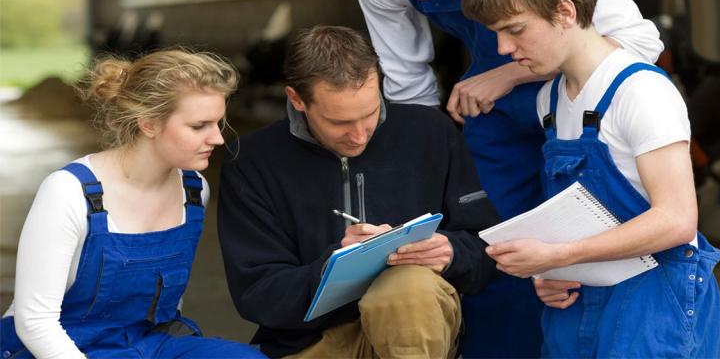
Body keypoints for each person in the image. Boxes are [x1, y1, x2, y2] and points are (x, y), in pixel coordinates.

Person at [355, 0, 664, 355]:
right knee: (493, 237)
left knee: (586, 232)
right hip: (491, 111)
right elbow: (408, 84)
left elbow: (641, 42)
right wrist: (422, 170)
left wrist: (506, 75)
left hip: (576, 92)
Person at [462, 0, 720, 358]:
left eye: (514, 30)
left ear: (565, 12)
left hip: (653, 307)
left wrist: (560, 254)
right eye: (497, 34)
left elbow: (676, 220)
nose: (503, 50)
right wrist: (554, 270)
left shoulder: (641, 92)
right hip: (579, 307)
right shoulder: (548, 101)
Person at [217, 25, 500, 358]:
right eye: (339, 122)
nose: (359, 135)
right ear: (296, 99)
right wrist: (333, 266)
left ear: (378, 80)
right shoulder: (250, 162)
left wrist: (450, 252)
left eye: (370, 113)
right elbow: (257, 294)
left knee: (405, 288)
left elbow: (488, 247)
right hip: (310, 343)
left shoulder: (431, 131)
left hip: (416, 328)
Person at [0, 50, 265, 359]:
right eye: (199, 126)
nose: (218, 139)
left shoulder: (194, 191)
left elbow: (167, 304)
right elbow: (36, 323)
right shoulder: (69, 192)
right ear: (149, 124)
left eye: (218, 123)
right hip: (53, 347)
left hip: (144, 342)